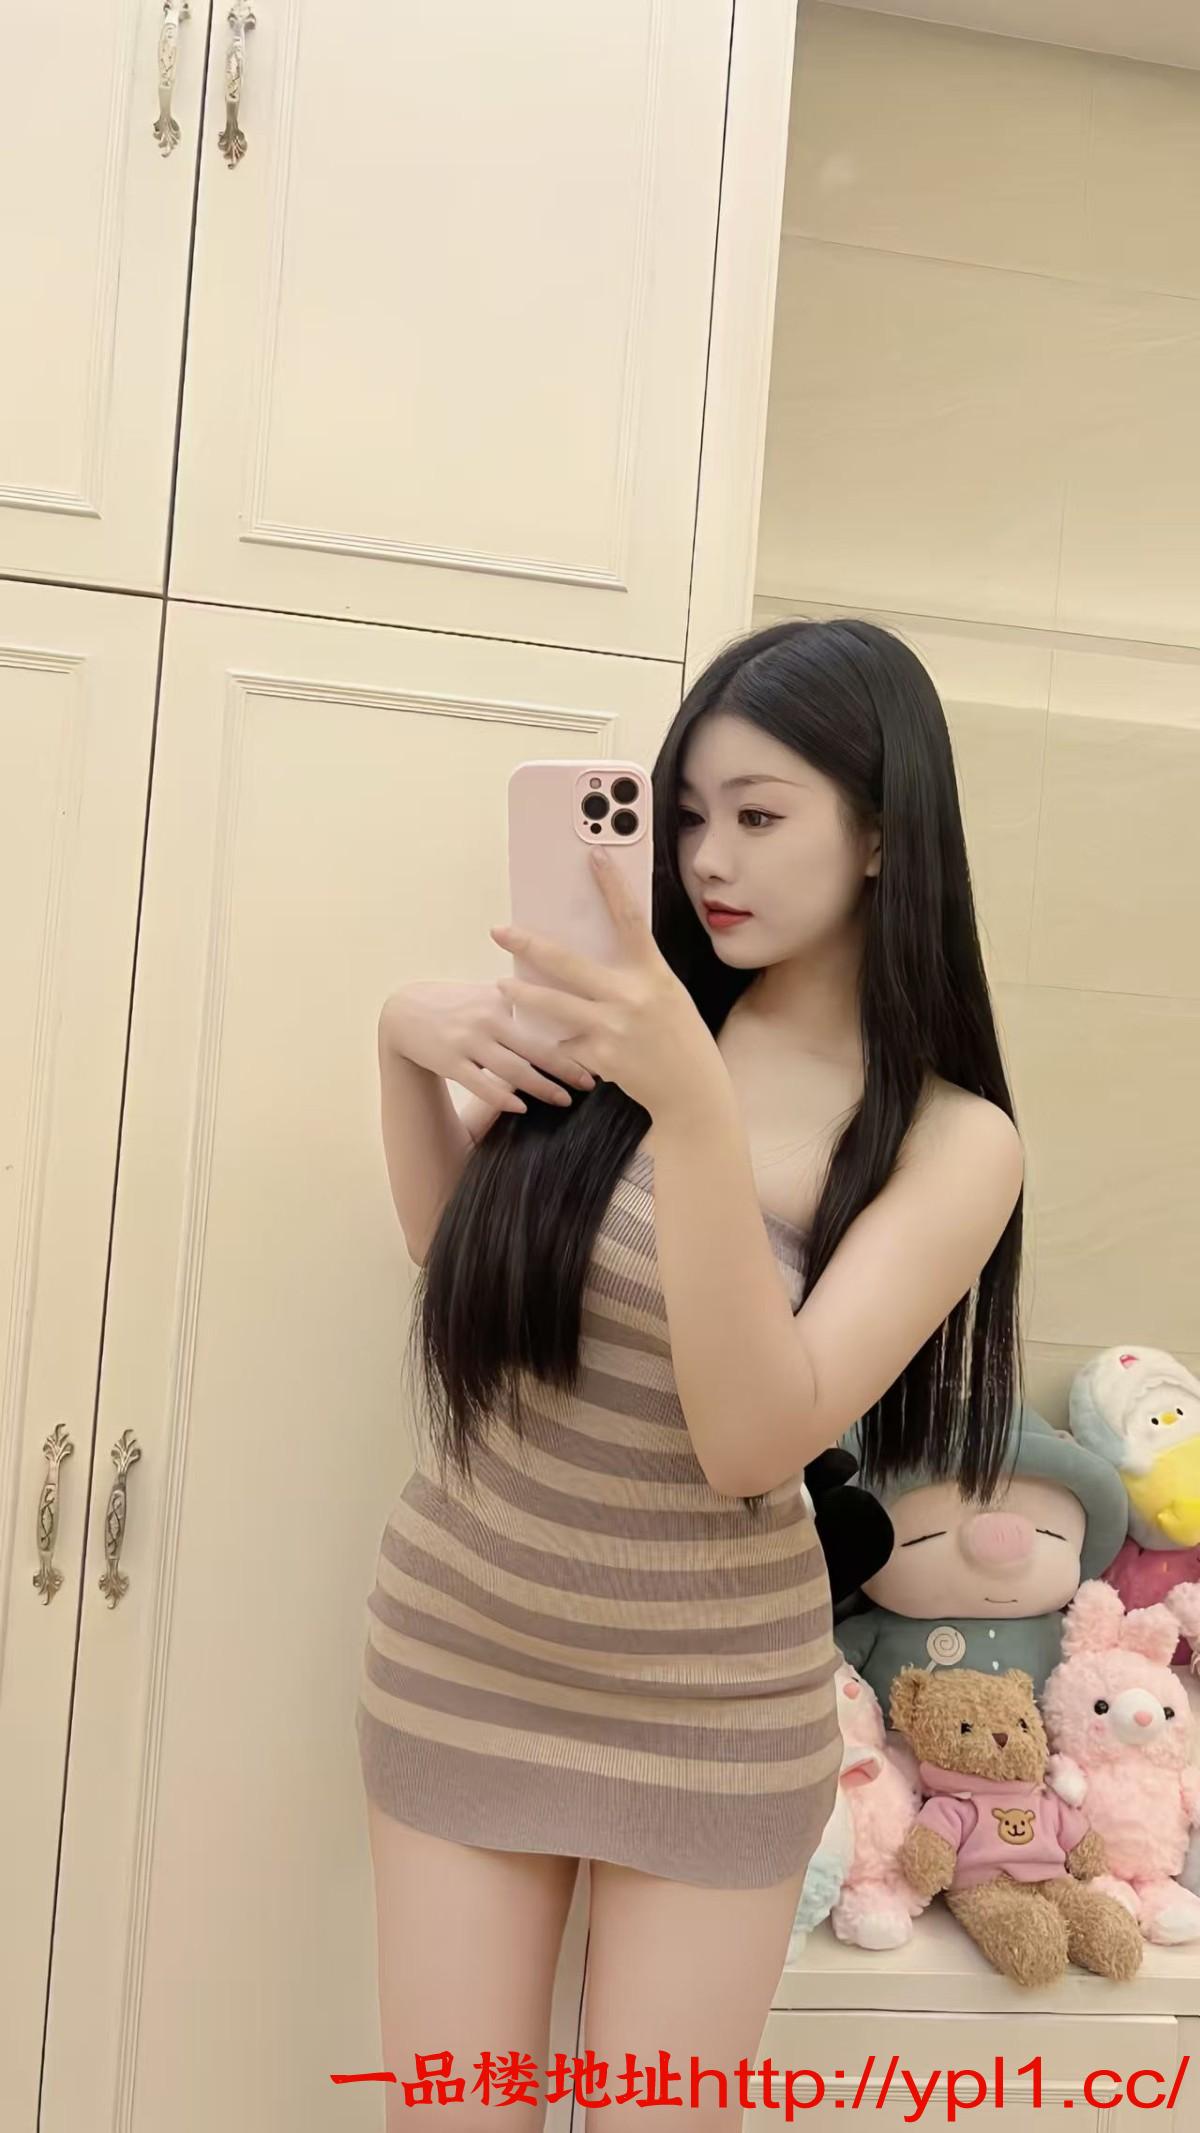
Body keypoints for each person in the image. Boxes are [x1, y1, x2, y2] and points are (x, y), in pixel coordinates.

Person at [356, 616, 1026, 2131]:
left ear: (880, 835)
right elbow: (457, 1265)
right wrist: (402, 1047)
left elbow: (752, 1440)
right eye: (690, 813)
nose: (710, 858)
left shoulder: (949, 1137)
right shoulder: (622, 1015)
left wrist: (697, 1110)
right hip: (464, 1650)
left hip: (709, 1717)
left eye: (761, 815)